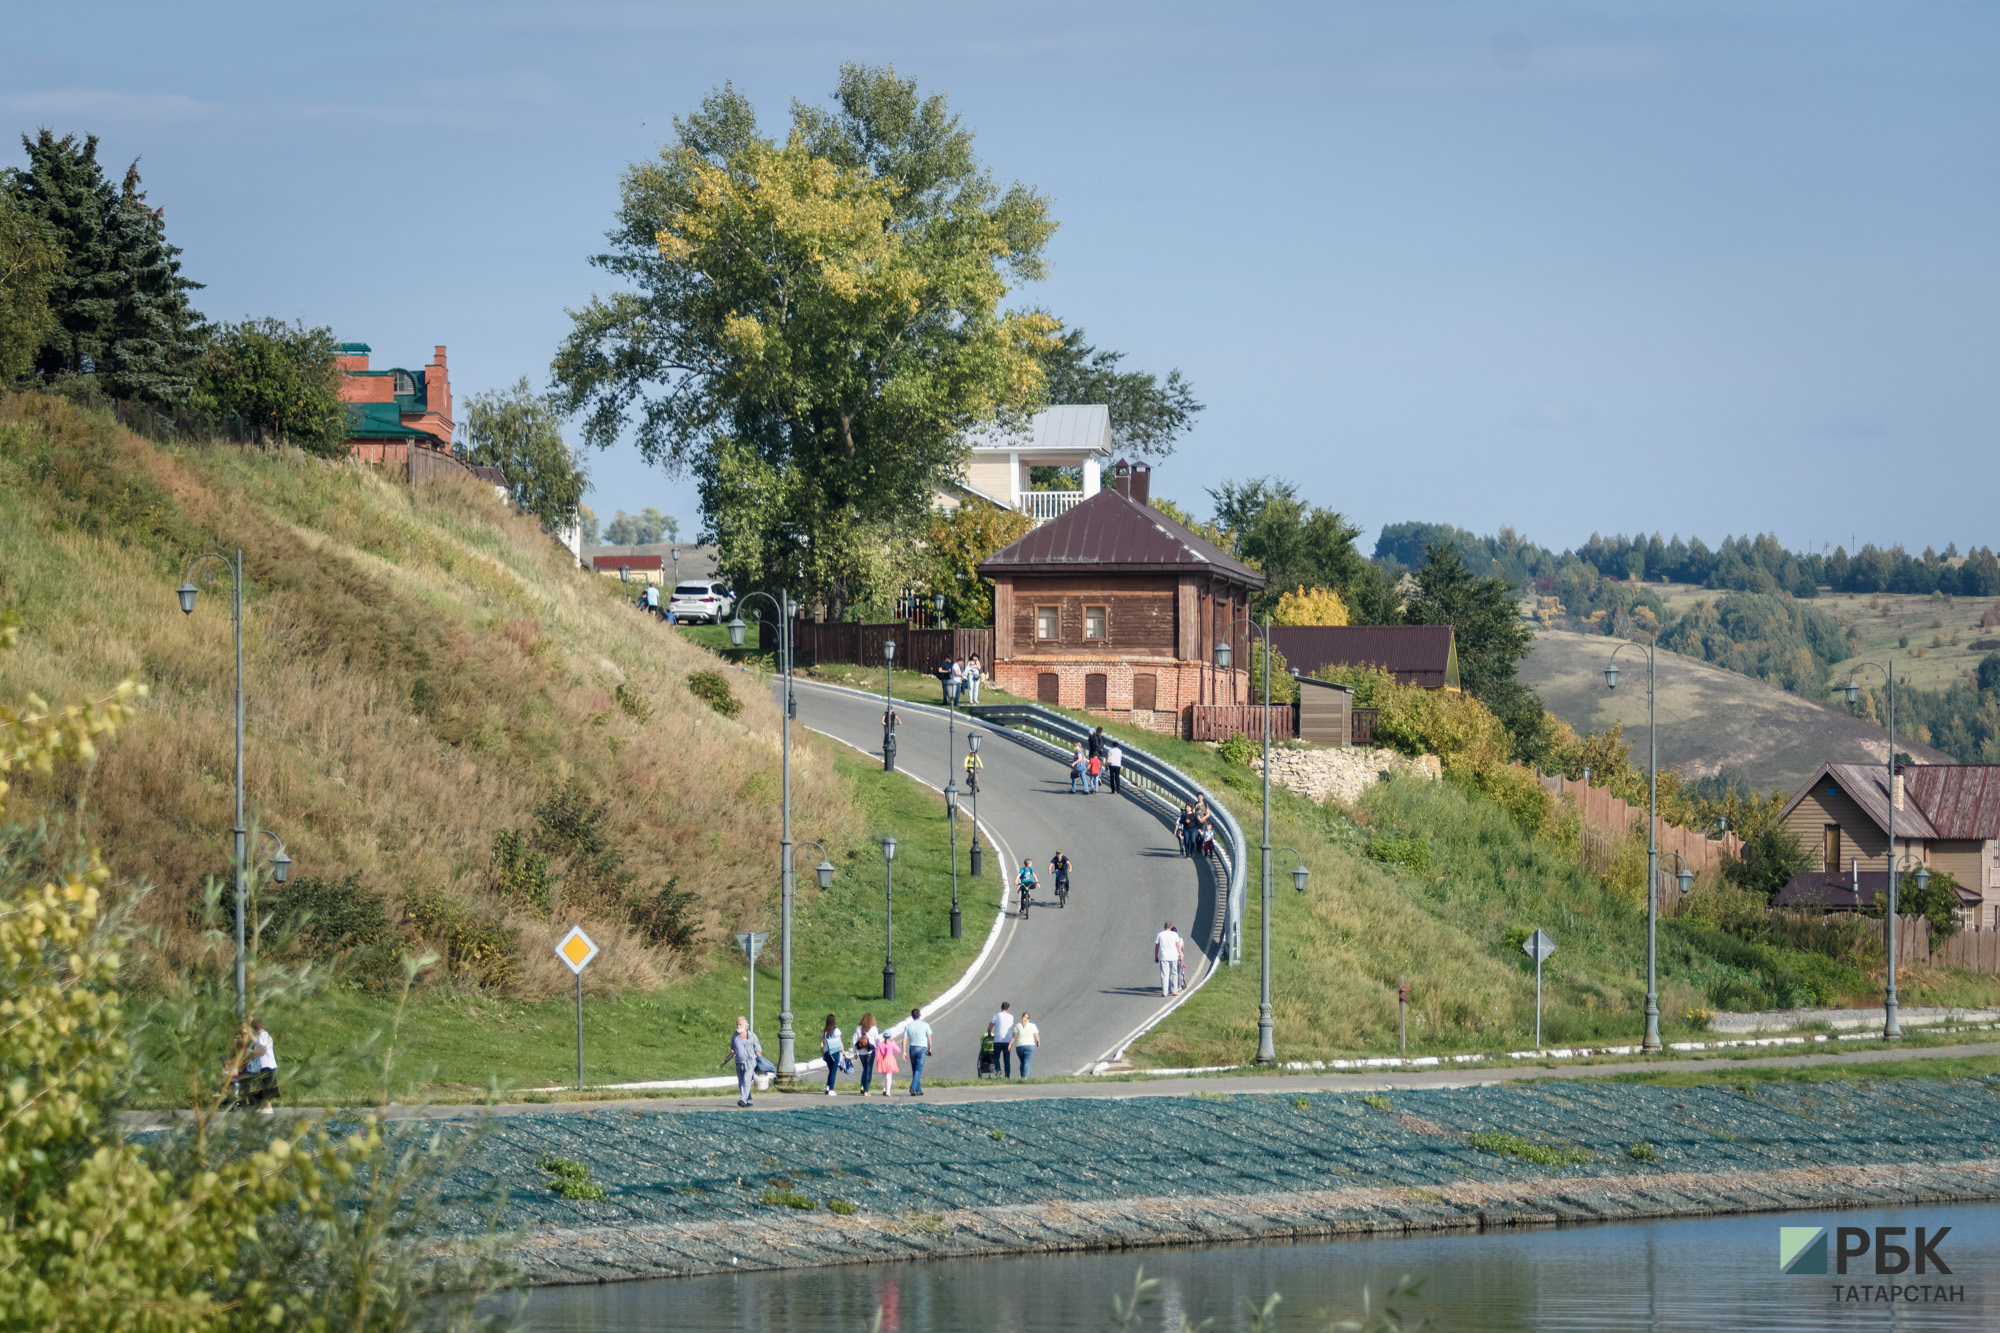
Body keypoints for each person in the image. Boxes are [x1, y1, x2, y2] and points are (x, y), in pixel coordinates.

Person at [731, 1016, 762, 1107]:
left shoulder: (752, 1036)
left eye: (740, 1024)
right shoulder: (735, 1036)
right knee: (741, 1083)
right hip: (739, 1062)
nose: (738, 1026)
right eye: (737, 1024)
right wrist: (732, 1052)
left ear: (745, 1025)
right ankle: (749, 1100)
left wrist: (760, 1063)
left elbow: (758, 1050)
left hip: (750, 1062)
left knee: (746, 1080)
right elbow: (733, 1048)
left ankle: (743, 1100)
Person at [903, 1007, 933, 1095]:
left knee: (915, 1069)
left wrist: (904, 1051)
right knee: (918, 1069)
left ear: (912, 1016)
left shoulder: (908, 1026)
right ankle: (913, 1087)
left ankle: (918, 1090)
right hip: (922, 1048)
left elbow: (904, 1039)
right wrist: (930, 1048)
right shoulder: (925, 1025)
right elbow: (929, 1038)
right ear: (919, 1015)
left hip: (912, 1048)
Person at [855, 1011, 880, 1094]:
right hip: (870, 1051)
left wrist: (855, 1052)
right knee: (868, 1070)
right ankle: (866, 1090)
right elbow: (877, 1040)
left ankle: (862, 1085)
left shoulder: (859, 1028)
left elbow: (854, 1040)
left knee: (865, 1069)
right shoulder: (873, 1028)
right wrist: (879, 1050)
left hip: (861, 1052)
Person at [874, 1022, 902, 1096]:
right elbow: (898, 1050)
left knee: (884, 1076)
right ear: (890, 1037)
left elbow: (877, 1054)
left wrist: (878, 1061)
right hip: (889, 1059)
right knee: (889, 1076)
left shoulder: (880, 1044)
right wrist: (894, 1043)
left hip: (882, 1059)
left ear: (883, 1036)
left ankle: (884, 1088)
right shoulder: (891, 1044)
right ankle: (888, 1091)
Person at [989, 1001, 1016, 1078]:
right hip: (1007, 1040)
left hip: (998, 1040)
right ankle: (1007, 1076)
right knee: (1007, 1060)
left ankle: (998, 1070)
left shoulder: (996, 1015)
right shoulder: (1011, 1017)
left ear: (1001, 1007)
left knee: (996, 1057)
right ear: (1008, 1008)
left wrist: (989, 1033)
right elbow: (1011, 1025)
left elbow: (990, 1026)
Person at [821, 1013, 844, 1096]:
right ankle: (831, 1089)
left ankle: (827, 1086)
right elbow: (840, 1042)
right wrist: (843, 1053)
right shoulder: (836, 1030)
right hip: (835, 1053)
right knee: (833, 1070)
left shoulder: (824, 1031)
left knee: (830, 1070)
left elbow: (822, 1044)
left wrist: (823, 1054)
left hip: (827, 1053)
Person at [1012, 1012, 1041, 1078]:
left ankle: (1022, 1076)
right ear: (1029, 1019)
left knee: (1022, 1062)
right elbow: (1036, 1036)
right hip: (1030, 1046)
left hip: (1019, 1046)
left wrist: (1010, 1044)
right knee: (1027, 1062)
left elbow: (1014, 1036)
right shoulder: (1033, 1025)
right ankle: (1025, 1077)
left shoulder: (1017, 1025)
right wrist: (1038, 1042)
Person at [1155, 921, 1179, 997]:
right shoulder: (1175, 934)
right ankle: (1174, 990)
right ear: (1170, 927)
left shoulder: (1160, 934)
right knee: (1174, 973)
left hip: (1164, 956)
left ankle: (1165, 992)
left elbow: (1157, 947)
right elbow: (1178, 946)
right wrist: (1180, 955)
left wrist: (1156, 956)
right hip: (1173, 956)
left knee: (1164, 974)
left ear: (1164, 927)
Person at [1170, 923, 1188, 992]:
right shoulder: (1180, 939)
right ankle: (1179, 986)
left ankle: (1172, 985)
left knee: (1172, 971)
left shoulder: (1171, 940)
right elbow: (1182, 948)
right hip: (1180, 956)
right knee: (1179, 971)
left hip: (1173, 957)